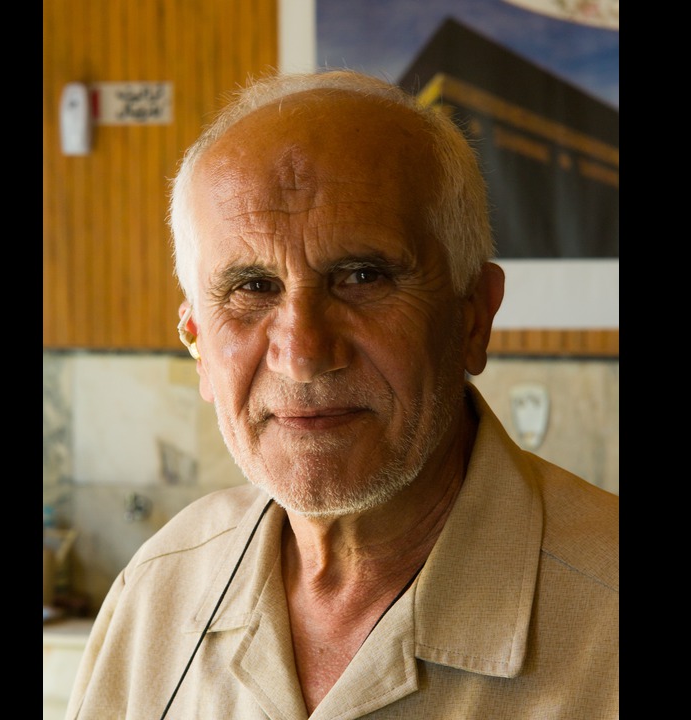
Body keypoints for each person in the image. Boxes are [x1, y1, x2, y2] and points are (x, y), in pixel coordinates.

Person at [65, 69, 618, 720]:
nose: (301, 356)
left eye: (361, 276)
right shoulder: (161, 588)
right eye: (252, 287)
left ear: (473, 316)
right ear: (198, 343)